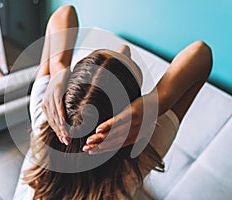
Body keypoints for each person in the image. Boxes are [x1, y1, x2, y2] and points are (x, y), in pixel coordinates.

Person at [21, 5, 212, 200]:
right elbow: (201, 53)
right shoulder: (139, 157)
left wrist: (59, 66)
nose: (124, 47)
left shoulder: (44, 116)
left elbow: (64, 13)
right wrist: (155, 103)